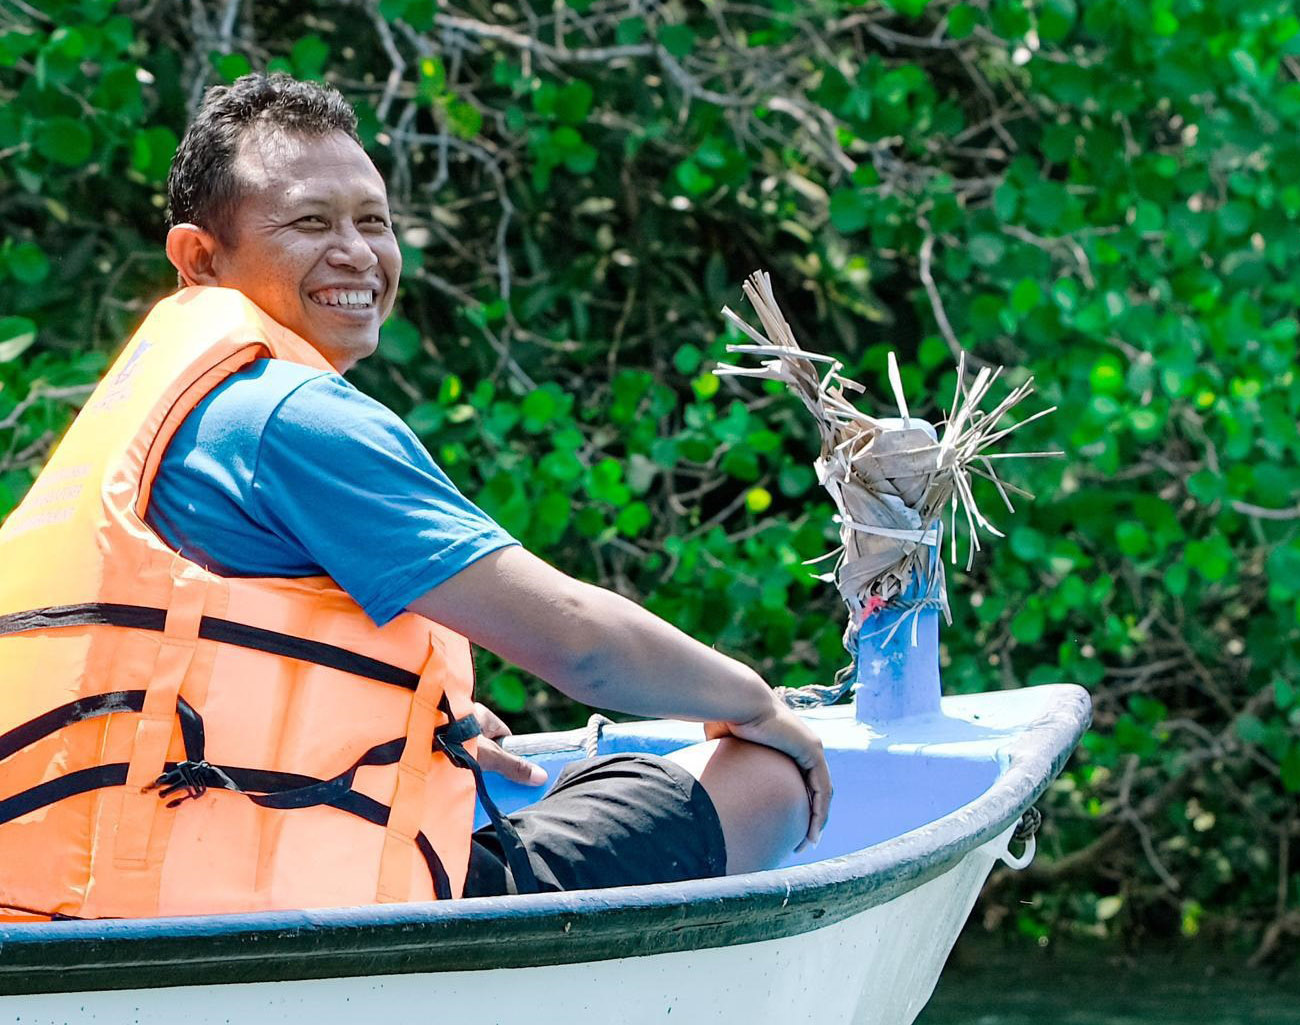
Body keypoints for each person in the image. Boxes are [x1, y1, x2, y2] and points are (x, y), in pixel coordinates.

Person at [0, 73, 828, 914]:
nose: (357, 252)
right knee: (766, 774)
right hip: (305, 922)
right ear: (199, 258)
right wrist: (759, 703)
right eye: (311, 222)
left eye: (374, 222)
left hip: (83, 911)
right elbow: (580, 645)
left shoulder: (143, 427)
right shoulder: (294, 415)